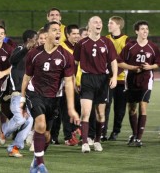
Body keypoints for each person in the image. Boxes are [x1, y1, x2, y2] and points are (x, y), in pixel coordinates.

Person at [21, 21, 79, 173]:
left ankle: (36, 159)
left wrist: (71, 109)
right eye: (54, 30)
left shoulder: (66, 56)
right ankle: (40, 165)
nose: (58, 33)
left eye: (59, 30)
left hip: (54, 98)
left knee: (47, 135)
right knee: (39, 125)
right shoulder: (34, 54)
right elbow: (26, 78)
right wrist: (22, 99)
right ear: (46, 35)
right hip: (35, 93)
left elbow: (68, 83)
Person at [73, 16, 118, 153]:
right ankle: (85, 142)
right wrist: (75, 80)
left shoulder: (107, 42)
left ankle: (97, 140)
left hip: (102, 80)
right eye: (96, 22)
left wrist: (114, 76)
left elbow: (113, 62)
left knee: (101, 114)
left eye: (100, 22)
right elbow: (75, 63)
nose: (99, 24)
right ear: (89, 25)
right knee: (85, 112)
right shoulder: (82, 43)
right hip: (87, 79)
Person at [117, 20, 160, 147]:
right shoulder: (130, 46)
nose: (145, 31)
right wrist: (132, 68)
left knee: (142, 106)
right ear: (136, 31)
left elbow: (158, 63)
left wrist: (150, 67)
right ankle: (134, 134)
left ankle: (139, 138)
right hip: (131, 80)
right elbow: (119, 62)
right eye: (142, 29)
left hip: (146, 80)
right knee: (132, 108)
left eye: (146, 29)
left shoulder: (153, 47)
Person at [0, 29, 37, 157]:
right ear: (29, 40)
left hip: (30, 95)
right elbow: (12, 60)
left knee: (29, 121)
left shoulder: (36, 53)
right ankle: (4, 129)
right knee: (20, 119)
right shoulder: (20, 48)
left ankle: (14, 148)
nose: (37, 41)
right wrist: (26, 48)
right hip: (17, 93)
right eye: (35, 38)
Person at [50, 24, 81, 146]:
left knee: (74, 109)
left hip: (76, 83)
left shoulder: (79, 47)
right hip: (62, 84)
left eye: (78, 34)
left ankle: (72, 132)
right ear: (67, 35)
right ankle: (61, 136)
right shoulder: (61, 47)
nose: (76, 36)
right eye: (73, 34)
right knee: (61, 111)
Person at [103, 16, 129, 141]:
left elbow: (124, 60)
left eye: (111, 23)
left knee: (119, 108)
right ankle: (102, 132)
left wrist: (115, 72)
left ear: (118, 25)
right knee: (105, 106)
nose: (108, 25)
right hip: (106, 79)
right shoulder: (105, 39)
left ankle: (115, 131)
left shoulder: (126, 40)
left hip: (121, 79)